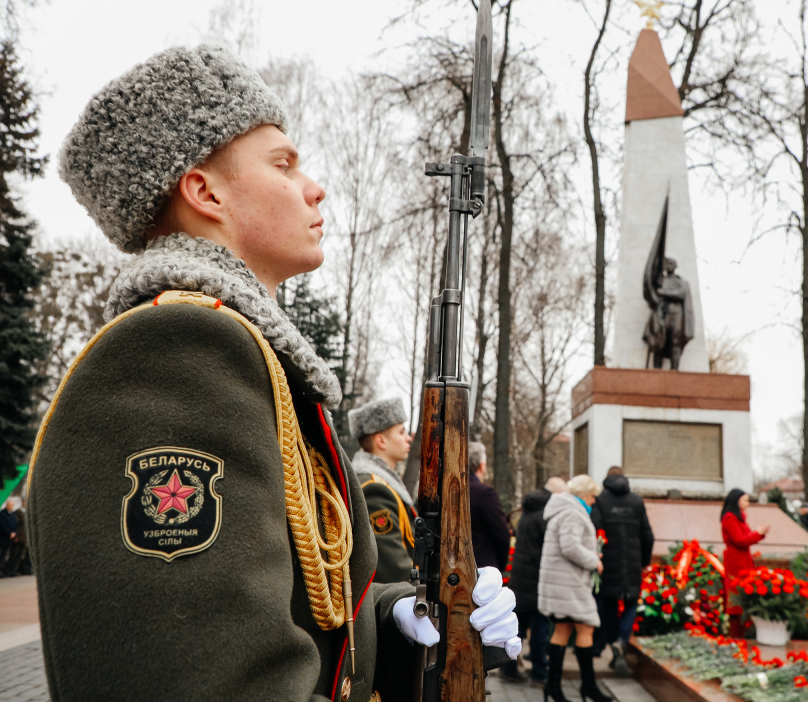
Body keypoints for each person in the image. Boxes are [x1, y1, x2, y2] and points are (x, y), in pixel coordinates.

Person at [25, 45, 519, 702]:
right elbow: (205, 677)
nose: (313, 187)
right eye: (283, 163)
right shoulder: (177, 351)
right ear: (204, 191)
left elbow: (290, 616)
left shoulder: (242, 354)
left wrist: (399, 622)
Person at [539, 474, 609, 702]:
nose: (593, 501)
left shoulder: (564, 509)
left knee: (563, 629)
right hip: (569, 583)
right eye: (591, 496)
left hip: (562, 582)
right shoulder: (572, 512)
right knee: (586, 628)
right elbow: (570, 547)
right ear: (581, 494)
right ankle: (588, 687)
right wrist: (594, 560)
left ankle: (553, 687)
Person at [591, 466, 654, 678]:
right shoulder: (636, 502)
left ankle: (614, 645)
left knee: (608, 607)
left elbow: (594, 530)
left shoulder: (600, 501)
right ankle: (621, 642)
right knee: (630, 605)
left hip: (607, 565)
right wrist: (643, 561)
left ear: (606, 479)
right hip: (631, 566)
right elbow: (648, 536)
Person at [349, 398, 416, 584]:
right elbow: (395, 570)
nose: (408, 437)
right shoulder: (374, 488)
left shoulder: (384, 483)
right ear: (381, 440)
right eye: (401, 432)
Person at [508, 477, 566, 687]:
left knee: (519, 627)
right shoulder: (547, 514)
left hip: (522, 577)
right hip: (538, 579)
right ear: (556, 493)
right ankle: (539, 673)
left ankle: (508, 667)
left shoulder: (528, 510)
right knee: (540, 630)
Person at [720, 488, 770, 638]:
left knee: (742, 599)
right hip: (736, 562)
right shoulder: (730, 518)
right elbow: (740, 540)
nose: (748, 503)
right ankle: (736, 637)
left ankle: (740, 636)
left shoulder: (738, 518)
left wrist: (758, 533)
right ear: (737, 501)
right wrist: (758, 533)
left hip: (742, 560)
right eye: (745, 500)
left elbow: (745, 538)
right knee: (736, 600)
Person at [469, 441, 512, 571]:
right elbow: (502, 535)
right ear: (481, 466)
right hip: (482, 568)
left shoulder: (449, 491)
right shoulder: (484, 493)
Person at [1, 497, 29, 577]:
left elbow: (15, 525)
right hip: (16, 537)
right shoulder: (17, 512)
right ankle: (8, 570)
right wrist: (14, 534)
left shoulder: (21, 513)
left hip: (23, 538)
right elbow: (14, 525)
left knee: (18, 556)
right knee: (13, 555)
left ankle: (14, 570)